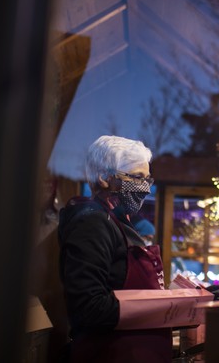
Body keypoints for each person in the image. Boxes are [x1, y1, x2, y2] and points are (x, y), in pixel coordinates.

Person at [58, 135, 171, 363]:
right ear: (104, 178)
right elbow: (88, 307)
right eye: (136, 177)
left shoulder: (116, 221)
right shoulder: (92, 222)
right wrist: (162, 307)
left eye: (147, 179)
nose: (146, 189)